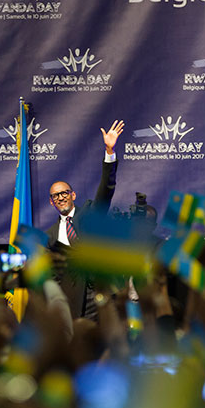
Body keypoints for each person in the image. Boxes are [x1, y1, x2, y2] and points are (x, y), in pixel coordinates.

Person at [46, 120, 124, 319]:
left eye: (64, 193)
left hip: (103, 293)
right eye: (56, 195)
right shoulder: (49, 236)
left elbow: (106, 189)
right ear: (51, 202)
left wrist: (109, 150)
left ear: (73, 195)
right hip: (73, 300)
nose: (61, 197)